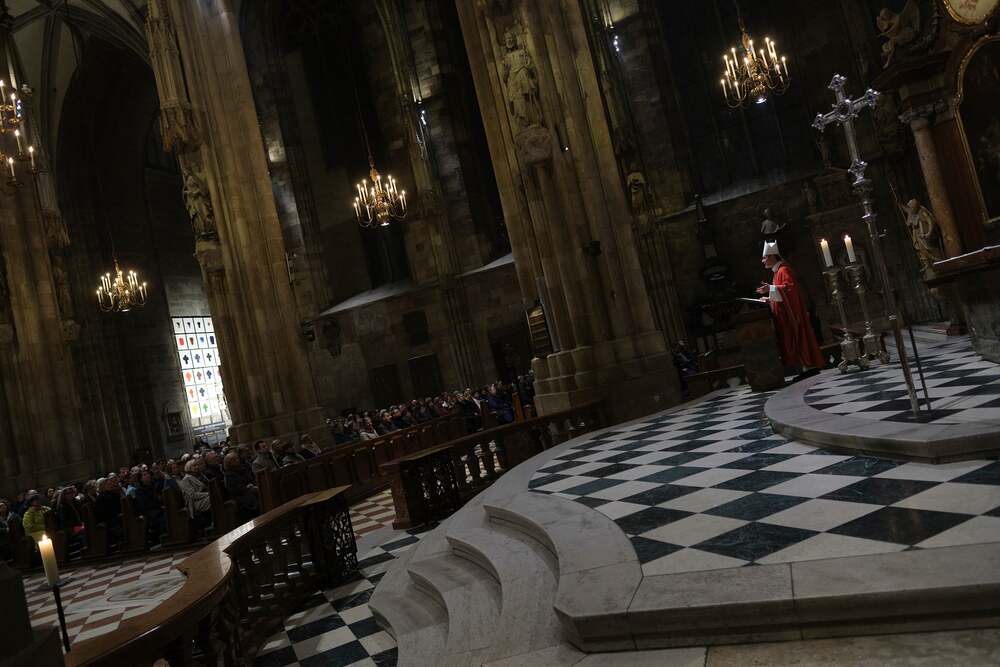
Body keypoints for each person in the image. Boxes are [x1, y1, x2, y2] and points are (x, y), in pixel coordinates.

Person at [756, 241, 825, 380]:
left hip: (793, 316)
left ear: (772, 256)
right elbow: (781, 294)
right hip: (785, 316)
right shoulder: (777, 272)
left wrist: (770, 289)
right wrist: (769, 299)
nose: (762, 261)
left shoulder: (784, 270)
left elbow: (789, 289)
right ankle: (803, 369)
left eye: (764, 257)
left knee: (797, 339)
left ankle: (807, 367)